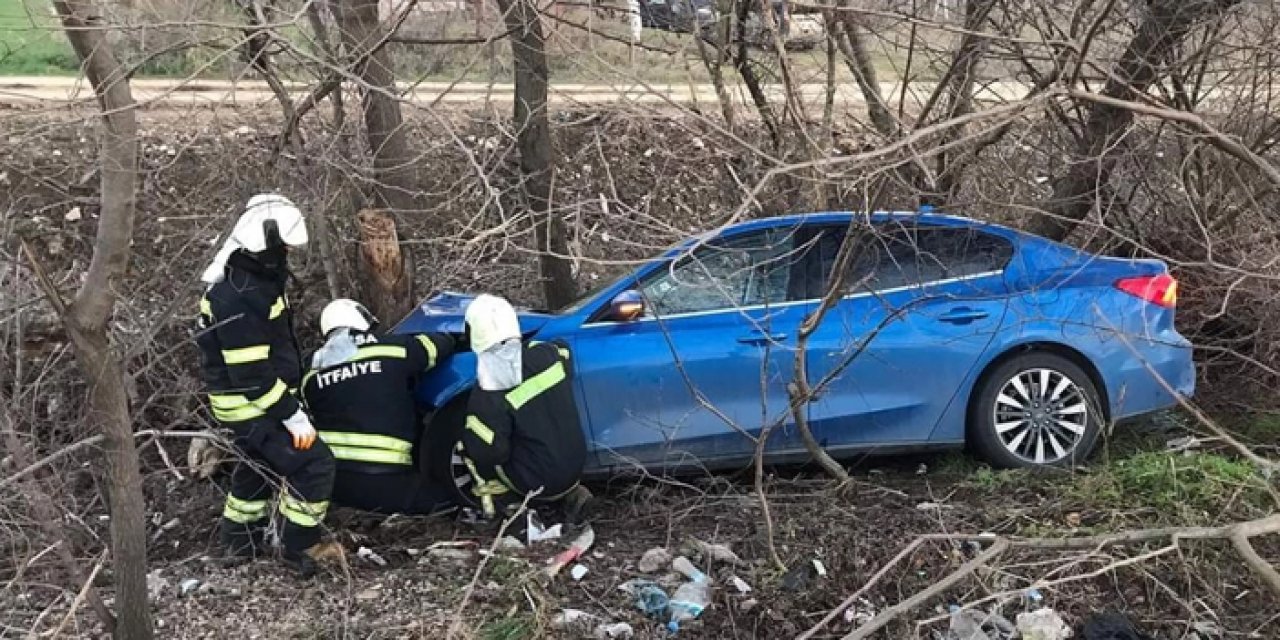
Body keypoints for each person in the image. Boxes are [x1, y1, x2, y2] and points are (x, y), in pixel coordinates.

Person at [195, 194, 336, 577]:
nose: (288, 253)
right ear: (266, 241)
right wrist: (292, 417)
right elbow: (251, 374)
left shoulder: (249, 277)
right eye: (285, 246)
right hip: (253, 403)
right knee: (314, 463)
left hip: (247, 401)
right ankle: (300, 547)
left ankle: (239, 543)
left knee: (256, 466)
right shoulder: (241, 296)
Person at [300, 298, 459, 515]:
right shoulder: (390, 349)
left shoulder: (310, 374)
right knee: (450, 502)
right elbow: (436, 345)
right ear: (361, 320)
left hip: (334, 485)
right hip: (389, 481)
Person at [457, 294, 593, 529]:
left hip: (537, 483)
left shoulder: (488, 394)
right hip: (576, 466)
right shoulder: (548, 354)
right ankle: (573, 495)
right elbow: (564, 351)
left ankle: (504, 508)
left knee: (471, 447)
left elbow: (490, 454)